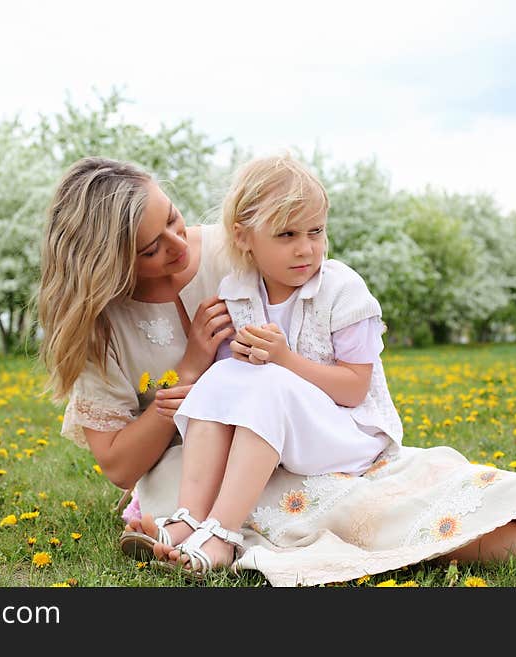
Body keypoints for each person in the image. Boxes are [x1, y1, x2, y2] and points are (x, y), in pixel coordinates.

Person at [38, 155, 516, 587]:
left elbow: (305, 265)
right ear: (109, 266)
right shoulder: (102, 330)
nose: (178, 243)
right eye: (150, 247)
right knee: (375, 516)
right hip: (213, 473)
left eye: (173, 218)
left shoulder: (234, 250)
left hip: (311, 441)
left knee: (410, 495)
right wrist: (189, 369)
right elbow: (118, 466)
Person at [146, 155, 402, 576]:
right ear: (244, 237)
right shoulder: (239, 293)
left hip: (348, 435)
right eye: (286, 234)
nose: (306, 248)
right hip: (287, 432)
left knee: (265, 380)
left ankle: (222, 535)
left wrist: (283, 360)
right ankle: (189, 517)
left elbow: (355, 390)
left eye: (316, 231)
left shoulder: (342, 289)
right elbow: (233, 392)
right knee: (226, 373)